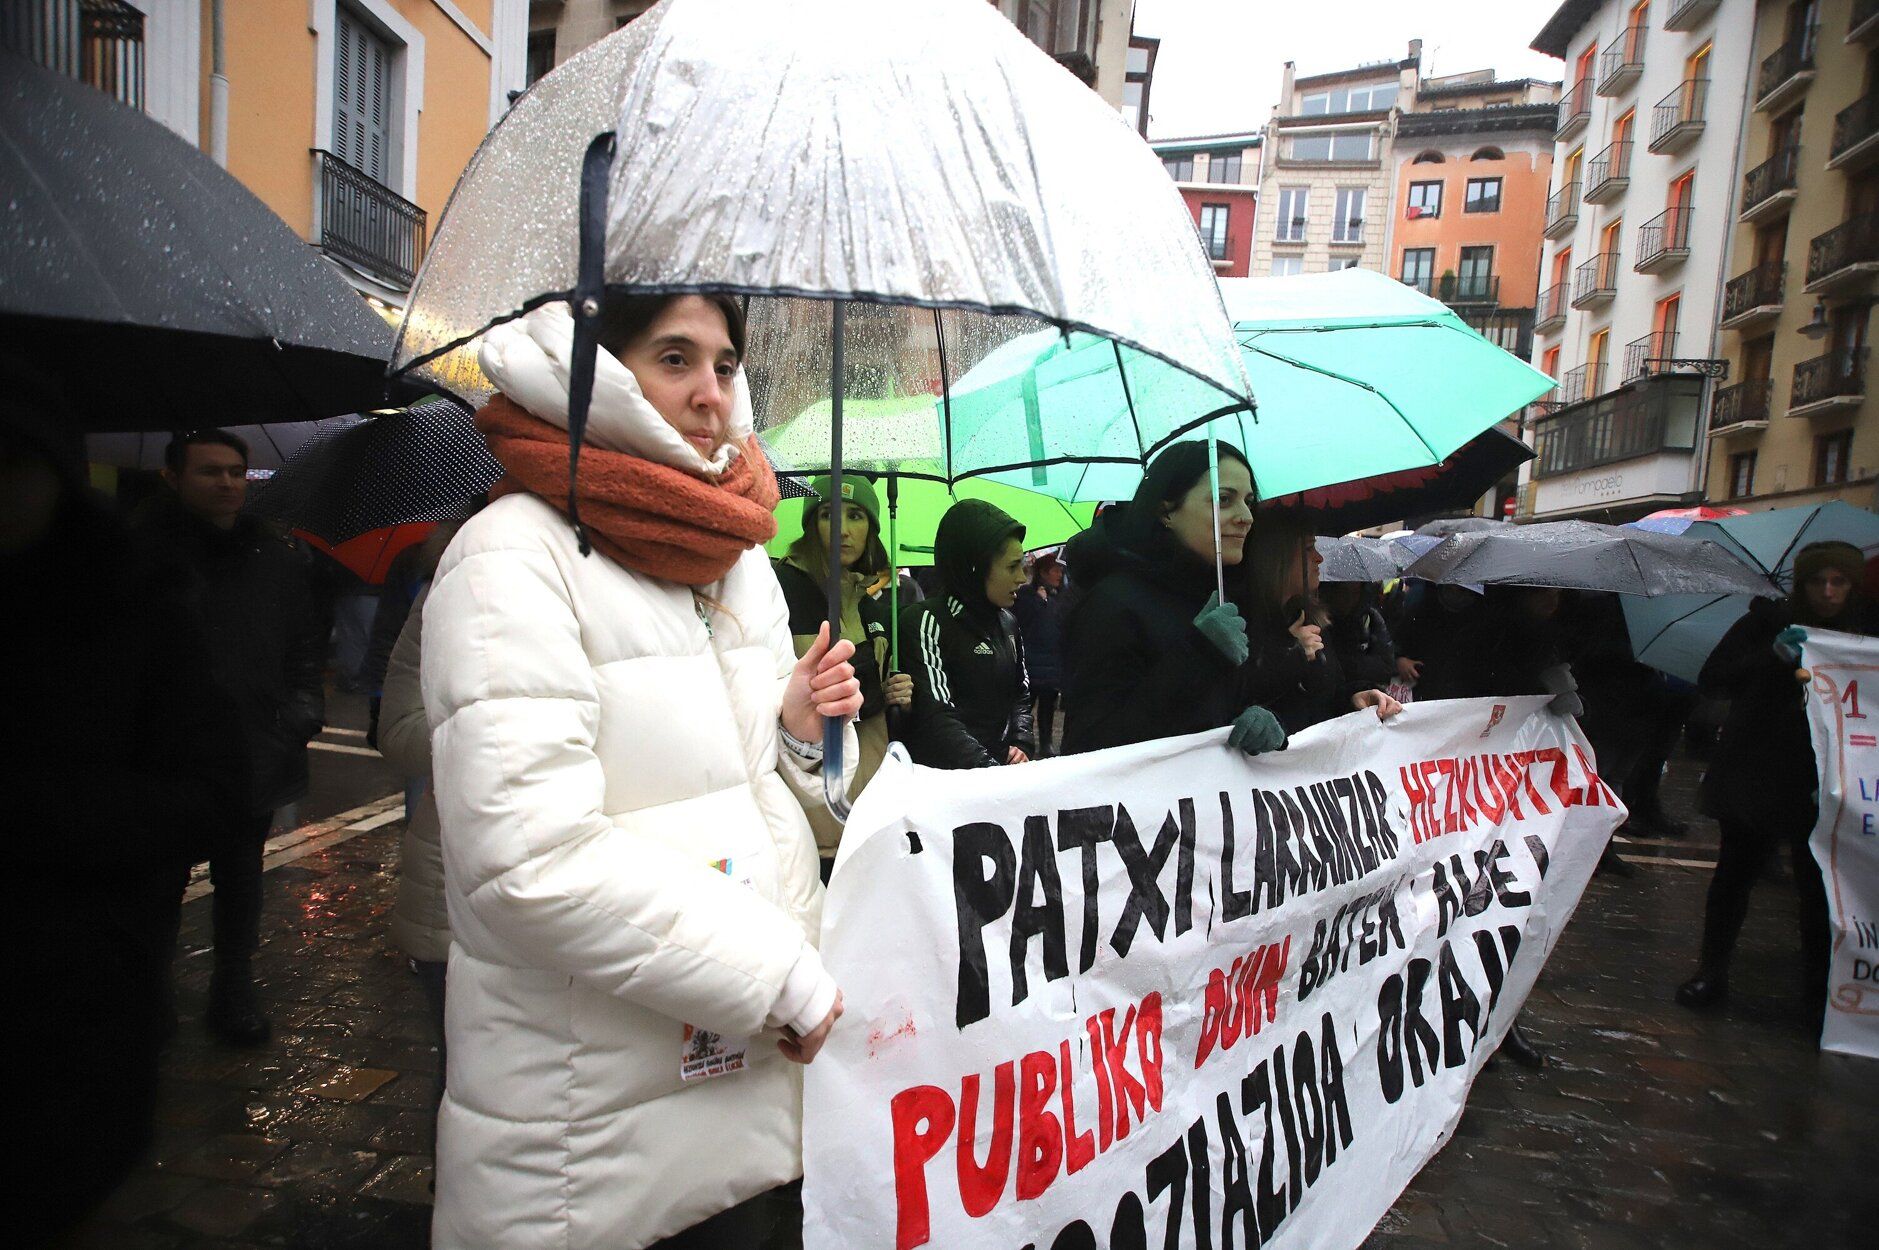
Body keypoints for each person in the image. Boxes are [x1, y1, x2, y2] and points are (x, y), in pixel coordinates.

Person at [420, 296, 861, 1250]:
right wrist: (777, 975)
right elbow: (527, 863)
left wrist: (795, 731)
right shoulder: (509, 556)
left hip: (750, 1096)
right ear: (603, 372)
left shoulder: (734, 556)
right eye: (674, 358)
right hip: (589, 1147)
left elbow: (745, 790)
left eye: (726, 364)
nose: (711, 393)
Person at [6, 388, 243, 1242]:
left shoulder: (128, 605)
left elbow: (209, 789)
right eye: (212, 471)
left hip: (67, 998)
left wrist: (39, 808)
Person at [134, 427, 326, 1047]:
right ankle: (150, 998)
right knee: (158, 885)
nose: (226, 483)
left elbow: (303, 643)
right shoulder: (139, 555)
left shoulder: (273, 556)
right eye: (209, 471)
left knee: (241, 879)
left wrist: (299, 713)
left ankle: (233, 990)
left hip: (252, 747)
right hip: (164, 753)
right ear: (173, 478)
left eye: (235, 472)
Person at [1678, 541, 1879, 1021]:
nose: (1827, 592)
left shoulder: (1867, 628)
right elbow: (1715, 678)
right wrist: (1772, 658)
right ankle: (1712, 969)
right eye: (1817, 581)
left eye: (1838, 582)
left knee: (1819, 886)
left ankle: (1819, 989)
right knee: (1735, 874)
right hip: (1758, 767)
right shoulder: (1766, 622)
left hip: (1828, 774)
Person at [1058, 440, 1285, 756]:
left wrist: (1257, 718)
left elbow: (1211, 710)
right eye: (1223, 499)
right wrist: (1201, 653)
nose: (1246, 516)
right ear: (1166, 512)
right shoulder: (1112, 603)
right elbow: (1093, 744)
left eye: (1249, 501)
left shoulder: (1219, 597)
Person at [770, 474, 912, 868]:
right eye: (829, 514)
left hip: (871, 808)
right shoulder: (782, 592)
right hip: (811, 816)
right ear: (811, 524)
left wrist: (895, 692)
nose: (843, 530)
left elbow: (876, 707)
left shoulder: (870, 602)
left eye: (856, 516)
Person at [897, 498, 1036, 768]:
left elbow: (1020, 692)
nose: (1021, 577)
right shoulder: (925, 620)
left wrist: (1021, 742)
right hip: (947, 782)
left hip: (1000, 775)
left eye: (1022, 565)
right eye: (1012, 566)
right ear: (975, 566)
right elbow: (937, 714)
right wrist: (987, 770)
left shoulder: (1008, 622)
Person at [1244, 513, 1402, 733]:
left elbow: (1326, 697)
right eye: (1309, 549)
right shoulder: (1246, 625)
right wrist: (1291, 657)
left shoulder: (1312, 618)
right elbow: (1247, 705)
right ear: (1279, 558)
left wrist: (1355, 697)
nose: (1319, 558)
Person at [1012, 548, 1068, 755]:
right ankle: (1022, 742)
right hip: (1030, 661)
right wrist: (1039, 602)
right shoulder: (1026, 595)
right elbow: (1021, 620)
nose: (1059, 575)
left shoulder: (1061, 597)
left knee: (1047, 707)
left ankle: (1046, 743)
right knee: (1025, 707)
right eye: (1055, 570)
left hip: (1052, 662)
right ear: (1043, 572)